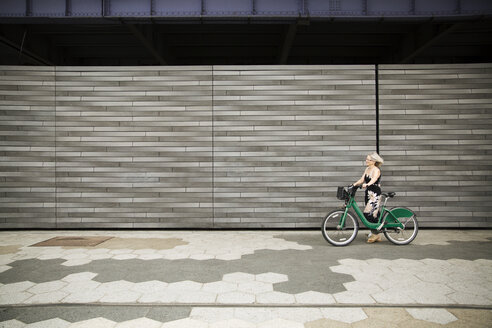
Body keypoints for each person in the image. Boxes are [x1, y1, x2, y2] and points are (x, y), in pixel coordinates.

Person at [353, 152, 384, 243]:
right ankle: (375, 233)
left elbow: (374, 179)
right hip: (368, 193)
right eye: (366, 159)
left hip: (375, 194)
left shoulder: (376, 170)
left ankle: (376, 234)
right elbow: (362, 179)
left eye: (368, 159)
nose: (366, 161)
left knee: (368, 213)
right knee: (374, 213)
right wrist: (354, 184)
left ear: (373, 161)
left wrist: (367, 184)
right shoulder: (367, 169)